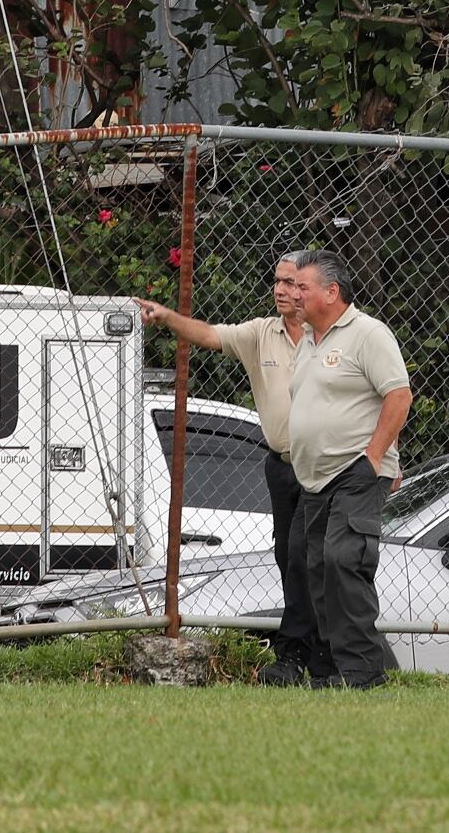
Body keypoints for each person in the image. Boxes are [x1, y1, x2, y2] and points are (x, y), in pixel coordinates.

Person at [134, 254, 328, 686]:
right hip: (281, 467)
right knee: (288, 556)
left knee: (306, 555)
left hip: (326, 468)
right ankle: (311, 654)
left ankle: (300, 653)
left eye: (290, 282)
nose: (279, 289)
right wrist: (167, 317)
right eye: (276, 280)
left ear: (309, 289)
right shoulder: (261, 334)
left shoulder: (335, 336)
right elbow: (208, 334)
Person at [288, 248, 412, 690]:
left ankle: (363, 674)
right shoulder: (308, 341)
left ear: (331, 291)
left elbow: (399, 395)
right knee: (318, 568)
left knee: (344, 560)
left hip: (356, 472)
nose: (293, 294)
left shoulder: (367, 334)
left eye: (302, 286)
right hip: (315, 480)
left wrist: (375, 457)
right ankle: (333, 670)